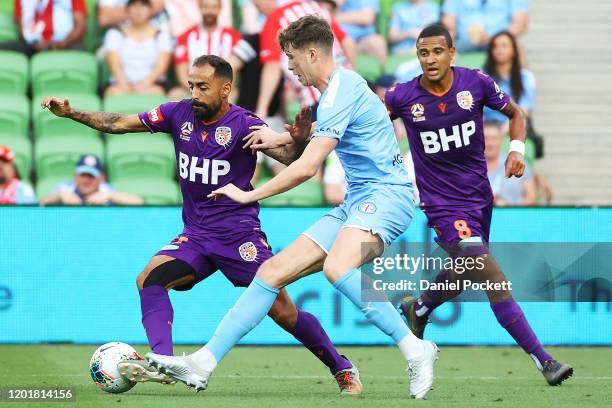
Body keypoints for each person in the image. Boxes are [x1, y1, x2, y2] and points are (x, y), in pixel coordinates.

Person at [145, 16, 438, 400]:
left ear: (312, 53)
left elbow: (306, 168)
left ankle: (415, 349)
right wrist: (283, 136)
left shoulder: (340, 90)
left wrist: (250, 195)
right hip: (359, 200)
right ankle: (203, 362)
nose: (288, 66)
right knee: (270, 273)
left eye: (291, 57)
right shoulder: (335, 91)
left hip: (388, 196)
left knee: (338, 267)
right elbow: (320, 137)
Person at [40, 55, 361, 394]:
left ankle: (342, 368)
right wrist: (72, 113)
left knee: (283, 311)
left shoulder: (244, 124)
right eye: (191, 84)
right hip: (195, 236)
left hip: (239, 237)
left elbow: (286, 157)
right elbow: (119, 122)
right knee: (148, 279)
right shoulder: (177, 114)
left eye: (203, 87)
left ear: (226, 89)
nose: (194, 93)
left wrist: (296, 141)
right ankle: (163, 362)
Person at [383, 23, 571, 386]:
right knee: (493, 276)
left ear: (452, 53)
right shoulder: (402, 96)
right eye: (423, 53)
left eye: (438, 51)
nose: (431, 59)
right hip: (441, 205)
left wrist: (517, 151)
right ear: (417, 57)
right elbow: (365, 121)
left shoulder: (476, 83)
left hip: (479, 200)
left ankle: (418, 308)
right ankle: (544, 360)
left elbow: (517, 114)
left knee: (468, 269)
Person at [251, 0, 356, 120]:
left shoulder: (275, 19)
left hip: (319, 100)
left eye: (256, 5)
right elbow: (348, 42)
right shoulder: (315, 7)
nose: (258, 10)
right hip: (349, 90)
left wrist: (261, 110)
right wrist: (354, 74)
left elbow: (273, 67)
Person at [168, 0, 241, 99]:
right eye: (206, 7)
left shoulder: (234, 37)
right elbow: (182, 73)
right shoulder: (186, 36)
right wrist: (199, 89)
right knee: (174, 95)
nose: (210, 11)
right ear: (199, 7)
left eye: (214, 7)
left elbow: (236, 71)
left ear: (220, 9)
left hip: (223, 89)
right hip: (192, 87)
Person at [103, 0, 172, 97]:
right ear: (127, 9)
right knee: (113, 93)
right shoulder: (114, 33)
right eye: (134, 5)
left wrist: (143, 85)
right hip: (120, 84)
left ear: (150, 10)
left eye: (143, 5)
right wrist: (124, 85)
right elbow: (114, 64)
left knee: (157, 93)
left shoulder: (161, 35)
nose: (138, 10)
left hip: (152, 85)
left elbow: (161, 66)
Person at [40, 154, 143, 206]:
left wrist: (110, 196)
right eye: (83, 175)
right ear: (75, 175)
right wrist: (60, 196)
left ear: (101, 178)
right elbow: (42, 203)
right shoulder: (66, 187)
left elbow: (138, 202)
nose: (86, 180)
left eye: (91, 176)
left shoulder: (106, 189)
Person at [482, 31, 535, 126]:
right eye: (495, 46)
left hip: (515, 126)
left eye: (504, 46)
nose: (499, 50)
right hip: (487, 128)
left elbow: (524, 110)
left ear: (514, 50)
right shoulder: (483, 78)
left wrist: (502, 132)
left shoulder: (525, 77)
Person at [1, 0, 87, 56]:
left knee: (82, 54)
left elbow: (80, 28)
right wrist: (35, 44)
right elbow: (22, 29)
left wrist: (61, 44)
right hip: (32, 45)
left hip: (66, 43)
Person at [441, 0, 528, 53]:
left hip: (499, 41)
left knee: (517, 50)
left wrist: (496, 38)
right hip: (464, 43)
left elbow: (520, 25)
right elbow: (449, 24)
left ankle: (518, 82)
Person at [484, 121, 536, 205]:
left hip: (513, 216)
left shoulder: (517, 163)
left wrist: (509, 209)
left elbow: (531, 198)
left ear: (501, 140)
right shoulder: (469, 168)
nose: (490, 143)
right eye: (486, 138)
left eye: (493, 138)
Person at [334, 0, 386, 64]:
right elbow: (326, 11)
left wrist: (336, 17)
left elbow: (367, 18)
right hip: (336, 39)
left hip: (361, 41)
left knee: (378, 42)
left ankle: (383, 73)